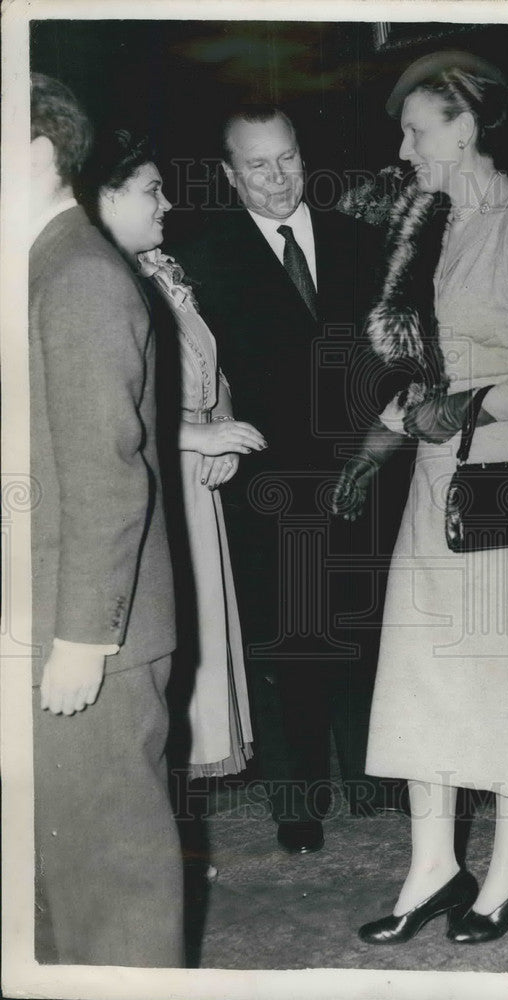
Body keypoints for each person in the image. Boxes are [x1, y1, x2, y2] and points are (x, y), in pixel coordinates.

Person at [333, 51, 508, 944]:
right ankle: (434, 863)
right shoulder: (449, 228)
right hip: (440, 472)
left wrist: (459, 407)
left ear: (466, 128)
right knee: (421, 671)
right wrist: (385, 435)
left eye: (417, 131)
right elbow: (444, 367)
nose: (404, 151)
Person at [174, 103, 393, 855]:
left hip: (362, 467)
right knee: (286, 643)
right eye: (259, 166)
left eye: (289, 159)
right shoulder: (200, 257)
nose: (278, 179)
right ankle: (298, 802)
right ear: (231, 176)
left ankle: (375, 778)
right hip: (264, 479)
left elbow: (392, 362)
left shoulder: (363, 242)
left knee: (363, 623)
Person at [28, 75, 183, 965]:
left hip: (90, 636)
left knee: (113, 886)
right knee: (54, 886)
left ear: (39, 154)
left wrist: (81, 638)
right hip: (51, 617)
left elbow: (108, 477)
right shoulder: (46, 265)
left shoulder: (80, 275)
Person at [79, 129, 267, 781]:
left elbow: (206, 373)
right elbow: (103, 412)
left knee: (193, 649)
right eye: (151, 190)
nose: (167, 204)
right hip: (151, 485)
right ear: (104, 197)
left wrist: (224, 432)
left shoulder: (160, 271)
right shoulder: (94, 283)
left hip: (194, 483)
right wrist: (198, 438)